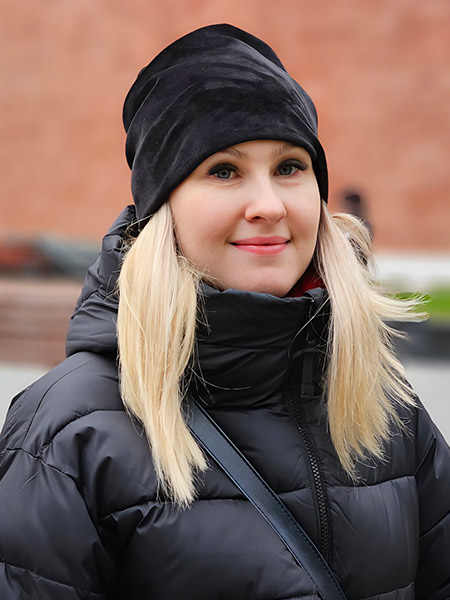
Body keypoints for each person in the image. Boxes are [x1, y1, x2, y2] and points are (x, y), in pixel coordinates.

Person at [0, 22, 449, 600]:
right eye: (223, 171)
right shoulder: (67, 432)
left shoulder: (386, 403)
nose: (269, 205)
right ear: (164, 210)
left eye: (290, 167)